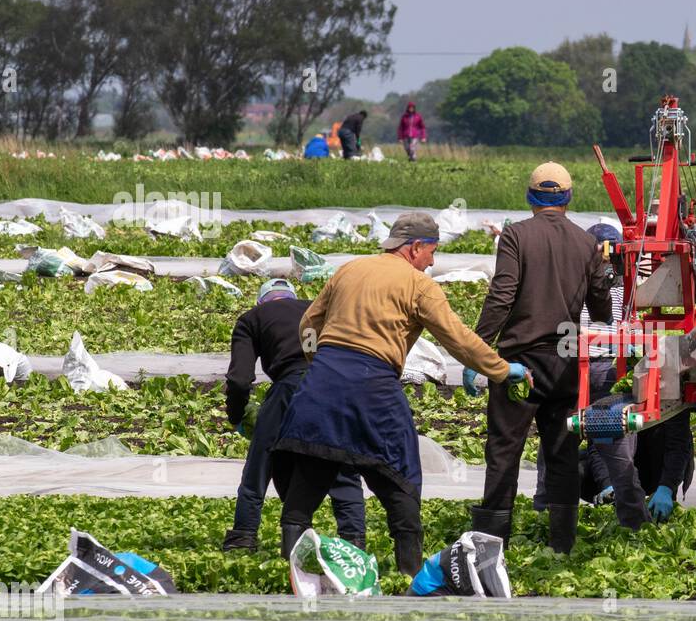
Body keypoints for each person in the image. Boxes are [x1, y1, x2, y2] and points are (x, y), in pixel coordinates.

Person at [273, 212, 529, 571]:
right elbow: (457, 339)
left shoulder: (349, 269)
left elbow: (308, 324)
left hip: (321, 386)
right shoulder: (419, 285)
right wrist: (501, 370)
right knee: (401, 476)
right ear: (416, 247)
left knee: (312, 472)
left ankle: (290, 568)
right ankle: (409, 571)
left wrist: (321, 362)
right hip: (373, 386)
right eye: (432, 252)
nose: (433, 262)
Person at [466, 162, 615, 553]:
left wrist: (478, 348)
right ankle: (562, 543)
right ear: (568, 197)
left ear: (530, 197)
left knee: (504, 449)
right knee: (562, 452)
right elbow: (601, 306)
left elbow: (502, 296)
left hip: (520, 362)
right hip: (565, 362)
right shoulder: (586, 243)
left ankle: (492, 544)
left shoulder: (516, 235)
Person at [222, 279, 366, 552]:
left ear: (261, 302)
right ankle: (354, 541)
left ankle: (243, 536)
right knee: (342, 466)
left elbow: (239, 380)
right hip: (332, 388)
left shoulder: (252, 318)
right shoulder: (318, 310)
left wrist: (237, 416)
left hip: (288, 388)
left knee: (260, 464)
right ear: (294, 297)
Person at [534, 222, 649, 530]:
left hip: (603, 371)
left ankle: (548, 511)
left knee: (593, 441)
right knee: (570, 442)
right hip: (581, 370)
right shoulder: (615, 286)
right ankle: (630, 520)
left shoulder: (621, 287)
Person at [633, 412, 696, 522]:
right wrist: (607, 482)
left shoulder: (672, 404)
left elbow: (677, 444)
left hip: (659, 458)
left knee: (658, 516)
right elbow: (603, 445)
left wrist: (667, 486)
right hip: (627, 458)